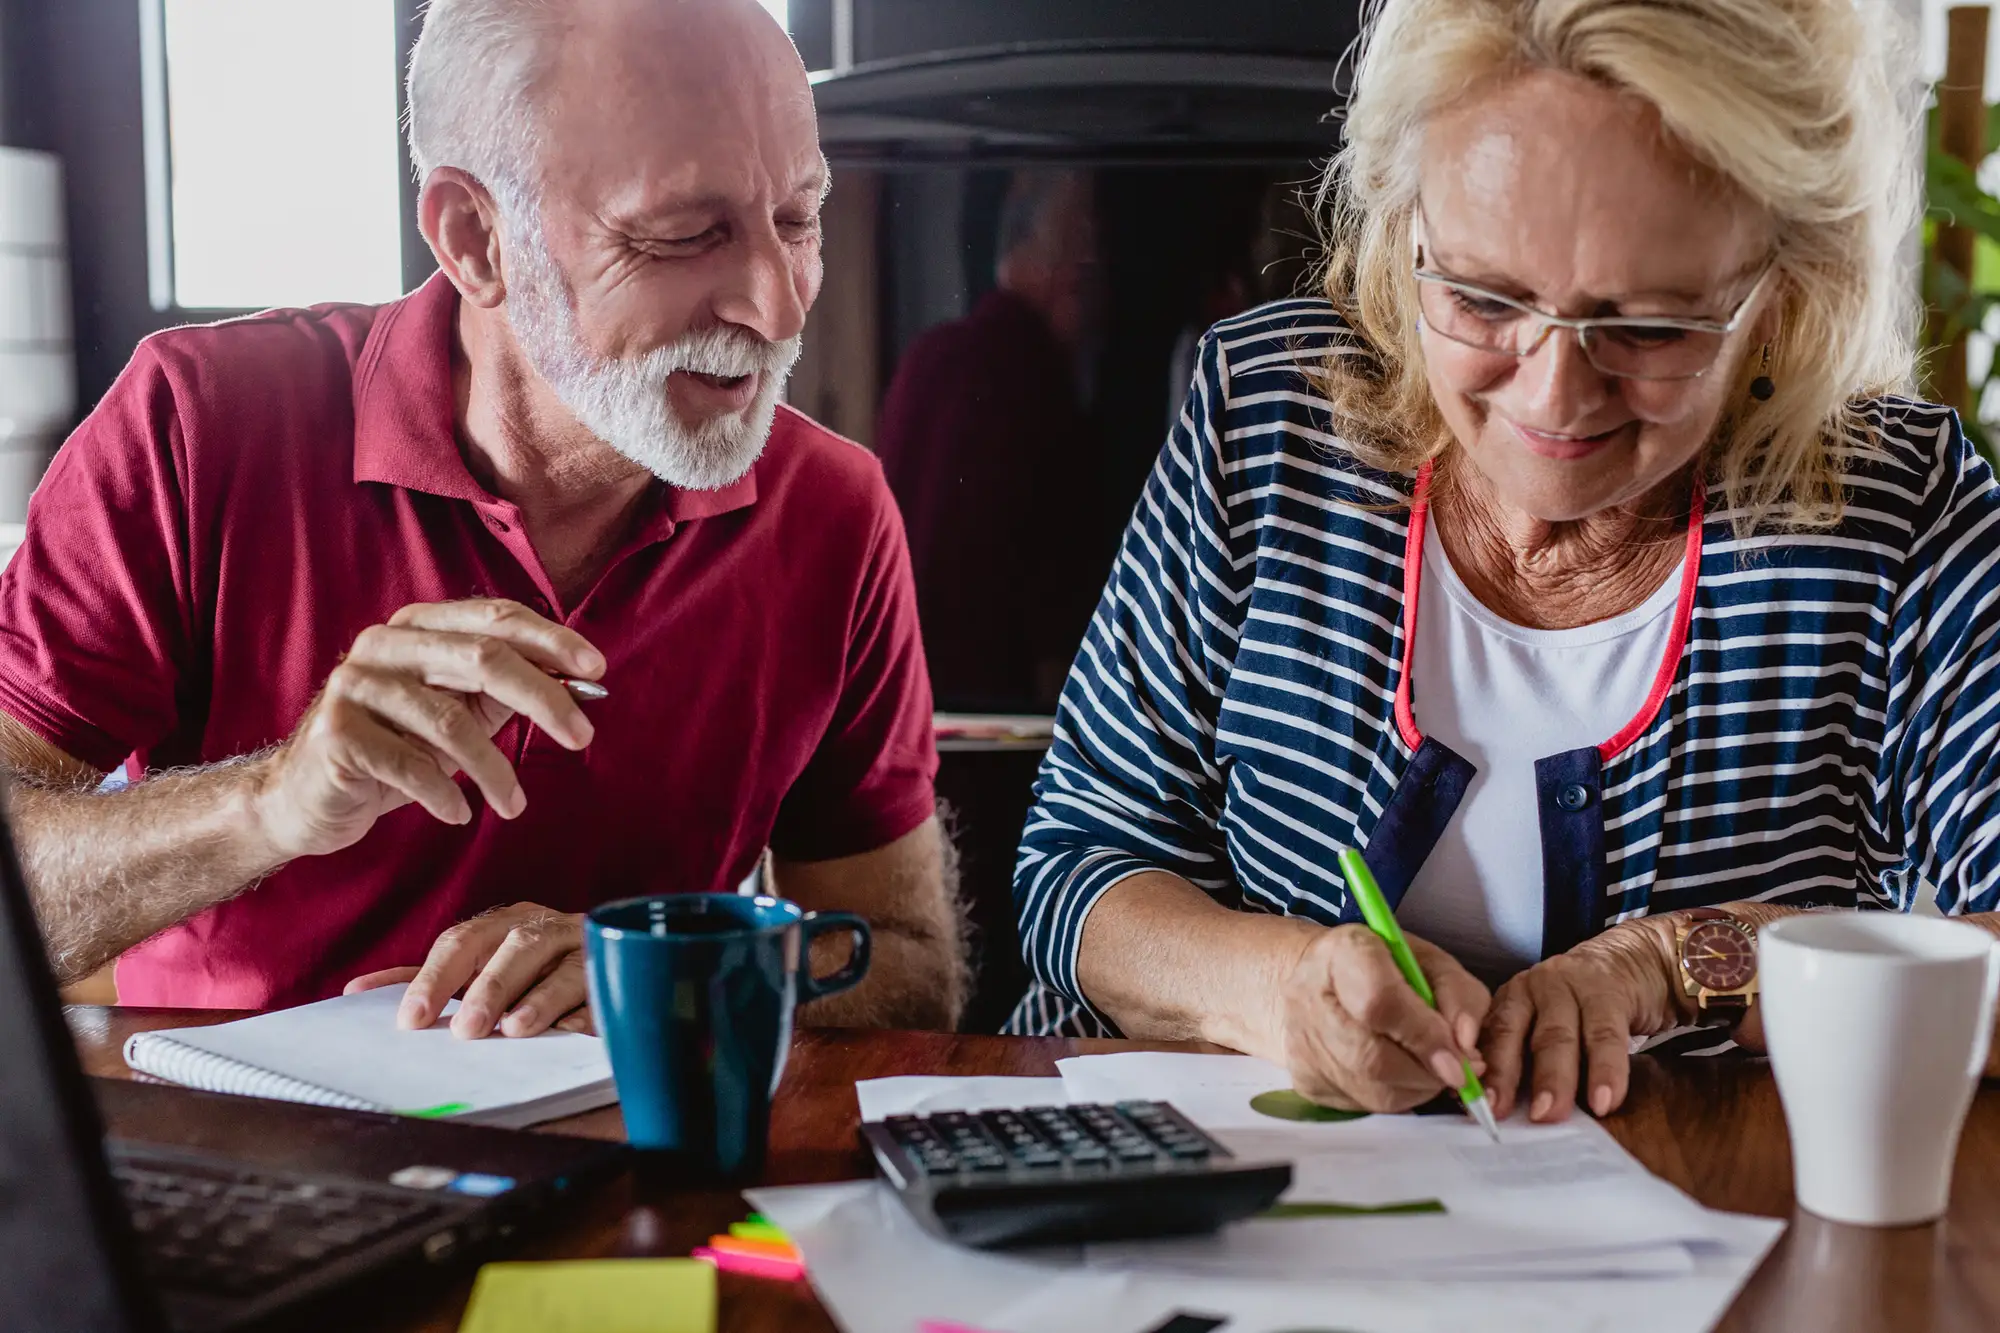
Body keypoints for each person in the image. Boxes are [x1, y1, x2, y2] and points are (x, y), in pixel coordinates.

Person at [1008, 0, 2000, 1123]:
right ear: (1402, 230)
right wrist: (1279, 990)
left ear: (1778, 294)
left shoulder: (1889, 513)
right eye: (1480, 299)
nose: (1552, 397)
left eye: (1651, 326)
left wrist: (1680, 960)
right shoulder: (1267, 417)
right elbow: (1077, 861)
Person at [0, 0, 967, 1037]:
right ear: (474, 237)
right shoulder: (193, 425)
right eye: (685, 236)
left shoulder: (834, 509)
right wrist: (274, 800)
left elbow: (909, 968)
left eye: (796, 220)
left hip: (643, 1176)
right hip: (249, 1163)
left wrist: (676, 972)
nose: (776, 310)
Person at [875, 170, 1106, 712]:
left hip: (902, 711)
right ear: (1069, 271)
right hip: (998, 729)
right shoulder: (1040, 384)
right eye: (1089, 255)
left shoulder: (927, 354)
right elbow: (1054, 613)